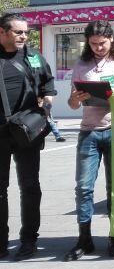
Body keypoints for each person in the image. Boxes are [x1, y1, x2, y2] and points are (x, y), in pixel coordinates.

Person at [65, 21, 114, 260]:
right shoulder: (81, 65)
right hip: (89, 132)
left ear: (111, 40)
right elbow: (72, 105)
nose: (98, 48)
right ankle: (84, 239)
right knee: (83, 187)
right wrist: (76, 98)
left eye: (102, 43)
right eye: (93, 44)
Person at [0, 14, 56, 260]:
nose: (24, 36)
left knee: (30, 187)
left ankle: (29, 241)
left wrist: (47, 101)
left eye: (26, 32)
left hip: (26, 131)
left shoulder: (34, 57)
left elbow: (48, 84)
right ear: (2, 32)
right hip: (0, 133)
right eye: (18, 32)